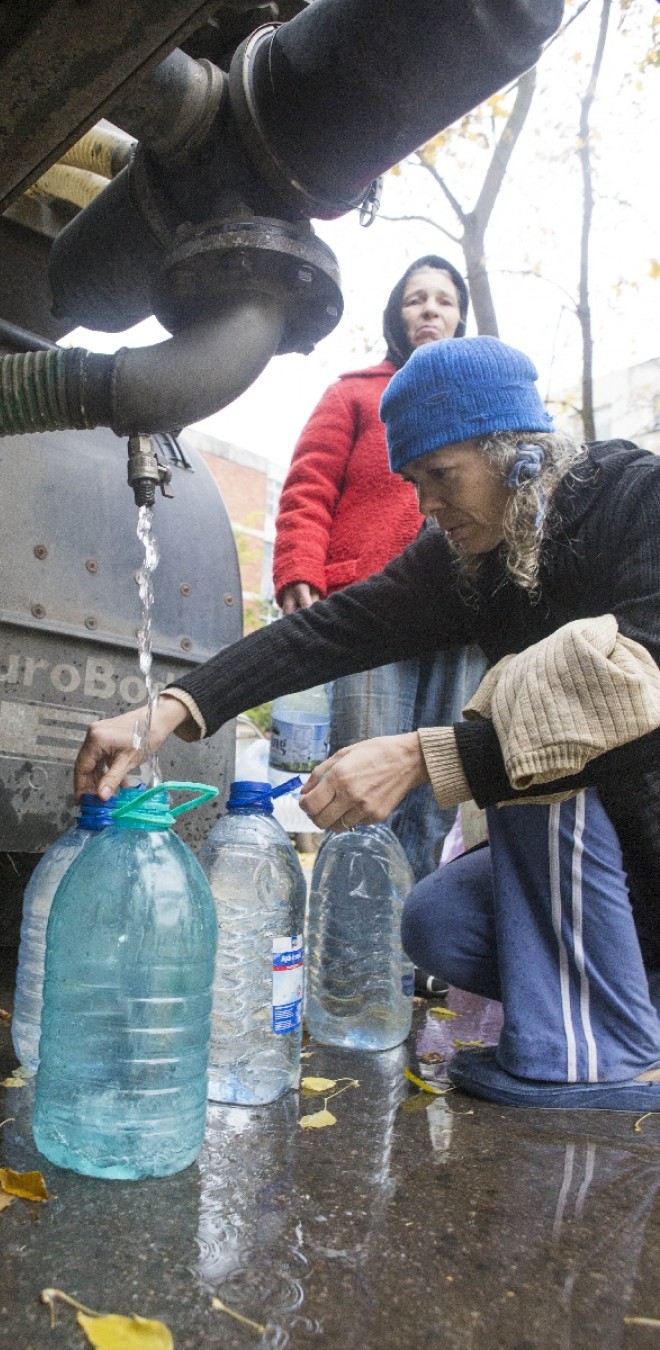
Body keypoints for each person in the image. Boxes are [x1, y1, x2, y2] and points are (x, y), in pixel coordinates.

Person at [75, 335, 660, 1112]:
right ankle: (632, 1000)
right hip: (604, 859)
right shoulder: (475, 554)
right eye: (415, 482)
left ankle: (601, 1058)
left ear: (518, 453)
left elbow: (640, 684)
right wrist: (171, 709)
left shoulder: (637, 500)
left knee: (548, 707)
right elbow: (334, 629)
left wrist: (429, 754)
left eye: (443, 476)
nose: (429, 506)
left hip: (641, 827)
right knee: (441, 924)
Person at [272, 255, 487, 891]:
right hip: (371, 609)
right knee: (365, 779)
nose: (430, 309)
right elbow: (308, 485)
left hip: (462, 619)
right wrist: (298, 567)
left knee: (438, 787)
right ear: (397, 315)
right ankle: (352, 957)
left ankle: (412, 954)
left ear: (459, 317)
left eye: (444, 300)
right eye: (416, 299)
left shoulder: (477, 409)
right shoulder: (354, 393)